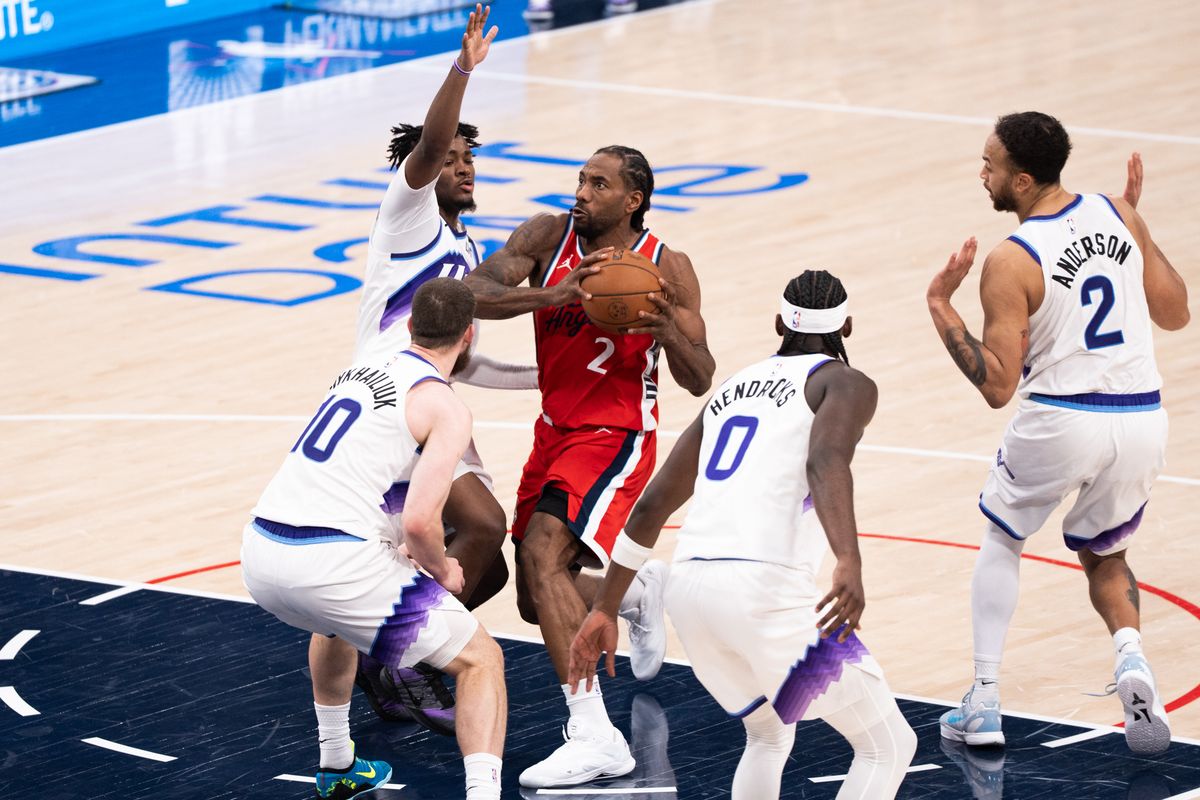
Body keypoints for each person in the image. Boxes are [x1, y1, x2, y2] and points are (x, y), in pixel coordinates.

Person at [568, 271, 917, 799]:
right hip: (764, 597)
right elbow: (826, 460)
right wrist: (849, 560)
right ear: (847, 326)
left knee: (769, 734)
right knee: (886, 745)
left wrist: (604, 607)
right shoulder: (844, 382)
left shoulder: (732, 388)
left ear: (778, 323)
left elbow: (652, 505)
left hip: (691, 595)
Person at [927, 112, 1189, 755]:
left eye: (989, 164)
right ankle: (1132, 660)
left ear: (1020, 180)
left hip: (1063, 418)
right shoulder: (1117, 212)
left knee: (1003, 537)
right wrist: (1139, 232)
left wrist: (941, 307)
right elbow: (1177, 313)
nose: (980, 172)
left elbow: (996, 387)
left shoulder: (1011, 259)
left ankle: (983, 701)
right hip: (1141, 420)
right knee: (1106, 554)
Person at [464, 145, 715, 788]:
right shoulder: (548, 236)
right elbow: (472, 293)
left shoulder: (666, 265)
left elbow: (701, 376)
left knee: (544, 553)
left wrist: (663, 328)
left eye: (598, 184)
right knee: (532, 594)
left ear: (632, 200)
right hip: (554, 430)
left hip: (616, 433)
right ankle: (633, 594)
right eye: (580, 179)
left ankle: (594, 734)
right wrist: (551, 295)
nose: (581, 191)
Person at [241, 278, 507, 800]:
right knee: (481, 659)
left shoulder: (356, 372)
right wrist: (444, 568)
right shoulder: (445, 407)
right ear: (469, 337)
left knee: (332, 622)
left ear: (410, 327)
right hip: (334, 562)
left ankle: (337, 762)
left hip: (261, 551)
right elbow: (419, 522)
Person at [347, 3, 532, 734]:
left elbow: (467, 360)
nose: (460, 165)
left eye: (468, 157)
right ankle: (390, 649)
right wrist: (463, 69)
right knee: (481, 526)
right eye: (449, 157)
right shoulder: (407, 213)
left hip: (434, 398)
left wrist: (545, 380)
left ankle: (394, 646)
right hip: (391, 400)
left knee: (491, 561)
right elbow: (426, 144)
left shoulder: (461, 240)